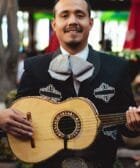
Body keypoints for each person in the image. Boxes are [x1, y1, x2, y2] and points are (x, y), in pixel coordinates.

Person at [0, 0, 140, 167]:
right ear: (54, 24)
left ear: (90, 22)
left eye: (80, 15)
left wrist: (134, 125)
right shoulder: (34, 67)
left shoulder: (117, 67)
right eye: (64, 15)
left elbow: (126, 127)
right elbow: (20, 115)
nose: (72, 21)